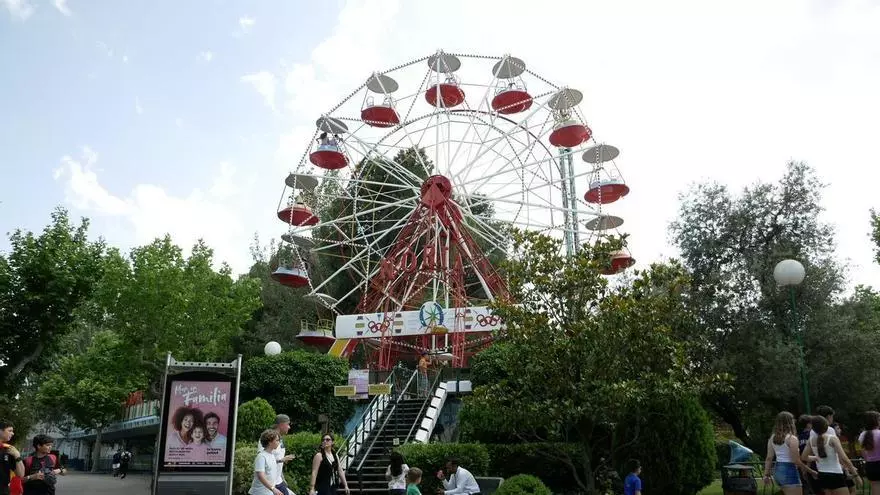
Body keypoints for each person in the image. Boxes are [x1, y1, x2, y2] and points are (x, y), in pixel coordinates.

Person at [801, 416, 861, 495]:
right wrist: (856, 475)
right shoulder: (832, 438)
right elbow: (844, 458)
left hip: (822, 474)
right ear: (826, 426)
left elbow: (804, 457)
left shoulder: (811, 440)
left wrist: (816, 457)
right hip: (835, 473)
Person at [763, 411, 818, 494]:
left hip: (778, 470)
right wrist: (811, 471)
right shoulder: (792, 439)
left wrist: (766, 474)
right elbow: (796, 460)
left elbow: (769, 458)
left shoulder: (772, 438)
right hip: (789, 470)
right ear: (790, 422)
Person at [257, 414, 296, 495]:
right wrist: (281, 460)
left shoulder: (280, 439)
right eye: (288, 424)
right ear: (281, 425)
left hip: (278, 481)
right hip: (268, 483)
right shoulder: (267, 438)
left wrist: (282, 477)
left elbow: (277, 462)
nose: (289, 427)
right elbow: (262, 458)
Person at [250, 429, 283, 495]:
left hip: (269, 492)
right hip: (259, 493)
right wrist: (273, 489)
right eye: (277, 440)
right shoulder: (261, 456)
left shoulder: (272, 455)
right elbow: (260, 476)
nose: (279, 442)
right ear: (270, 442)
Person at [1, 420, 25, 495]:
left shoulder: (9, 449)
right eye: (10, 430)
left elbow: (20, 474)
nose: (13, 433)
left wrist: (17, 456)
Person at [859, 411, 880, 495]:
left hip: (869, 465)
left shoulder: (862, 435)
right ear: (875, 421)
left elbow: (863, 453)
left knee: (875, 488)